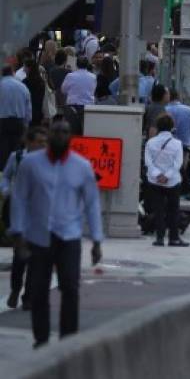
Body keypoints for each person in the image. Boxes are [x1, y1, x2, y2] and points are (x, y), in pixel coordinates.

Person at [10, 121, 103, 348]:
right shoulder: (31, 164)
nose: (60, 136)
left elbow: (91, 204)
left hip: (69, 236)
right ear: (49, 135)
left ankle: (68, 338)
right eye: (56, 132)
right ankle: (41, 338)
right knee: (39, 290)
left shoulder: (81, 166)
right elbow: (20, 198)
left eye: (65, 132)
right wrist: (18, 232)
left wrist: (96, 240)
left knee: (70, 287)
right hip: (39, 236)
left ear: (71, 137)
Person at [1, 126, 48, 310]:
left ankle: (29, 296)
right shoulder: (17, 157)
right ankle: (15, 289)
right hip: (19, 212)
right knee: (19, 256)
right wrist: (7, 191)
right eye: (39, 142)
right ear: (29, 142)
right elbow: (5, 177)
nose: (43, 146)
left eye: (45, 142)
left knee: (37, 258)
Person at [144, 114, 188, 247]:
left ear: (157, 127)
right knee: (173, 210)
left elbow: (148, 162)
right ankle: (174, 238)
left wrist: (158, 175)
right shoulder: (177, 143)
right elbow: (178, 163)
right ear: (172, 127)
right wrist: (167, 176)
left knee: (158, 210)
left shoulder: (150, 142)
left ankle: (159, 238)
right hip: (172, 182)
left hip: (154, 181)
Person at [0, 65, 32, 167]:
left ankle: (3, 172)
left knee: (3, 148)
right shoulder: (22, 87)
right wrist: (26, 124)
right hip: (18, 121)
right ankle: (15, 171)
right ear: (13, 73)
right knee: (17, 148)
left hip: (2, 121)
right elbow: (28, 108)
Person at [22, 60, 46, 127]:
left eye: (25, 67)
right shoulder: (41, 81)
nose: (23, 69)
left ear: (29, 68)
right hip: (38, 112)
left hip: (27, 112)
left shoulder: (25, 82)